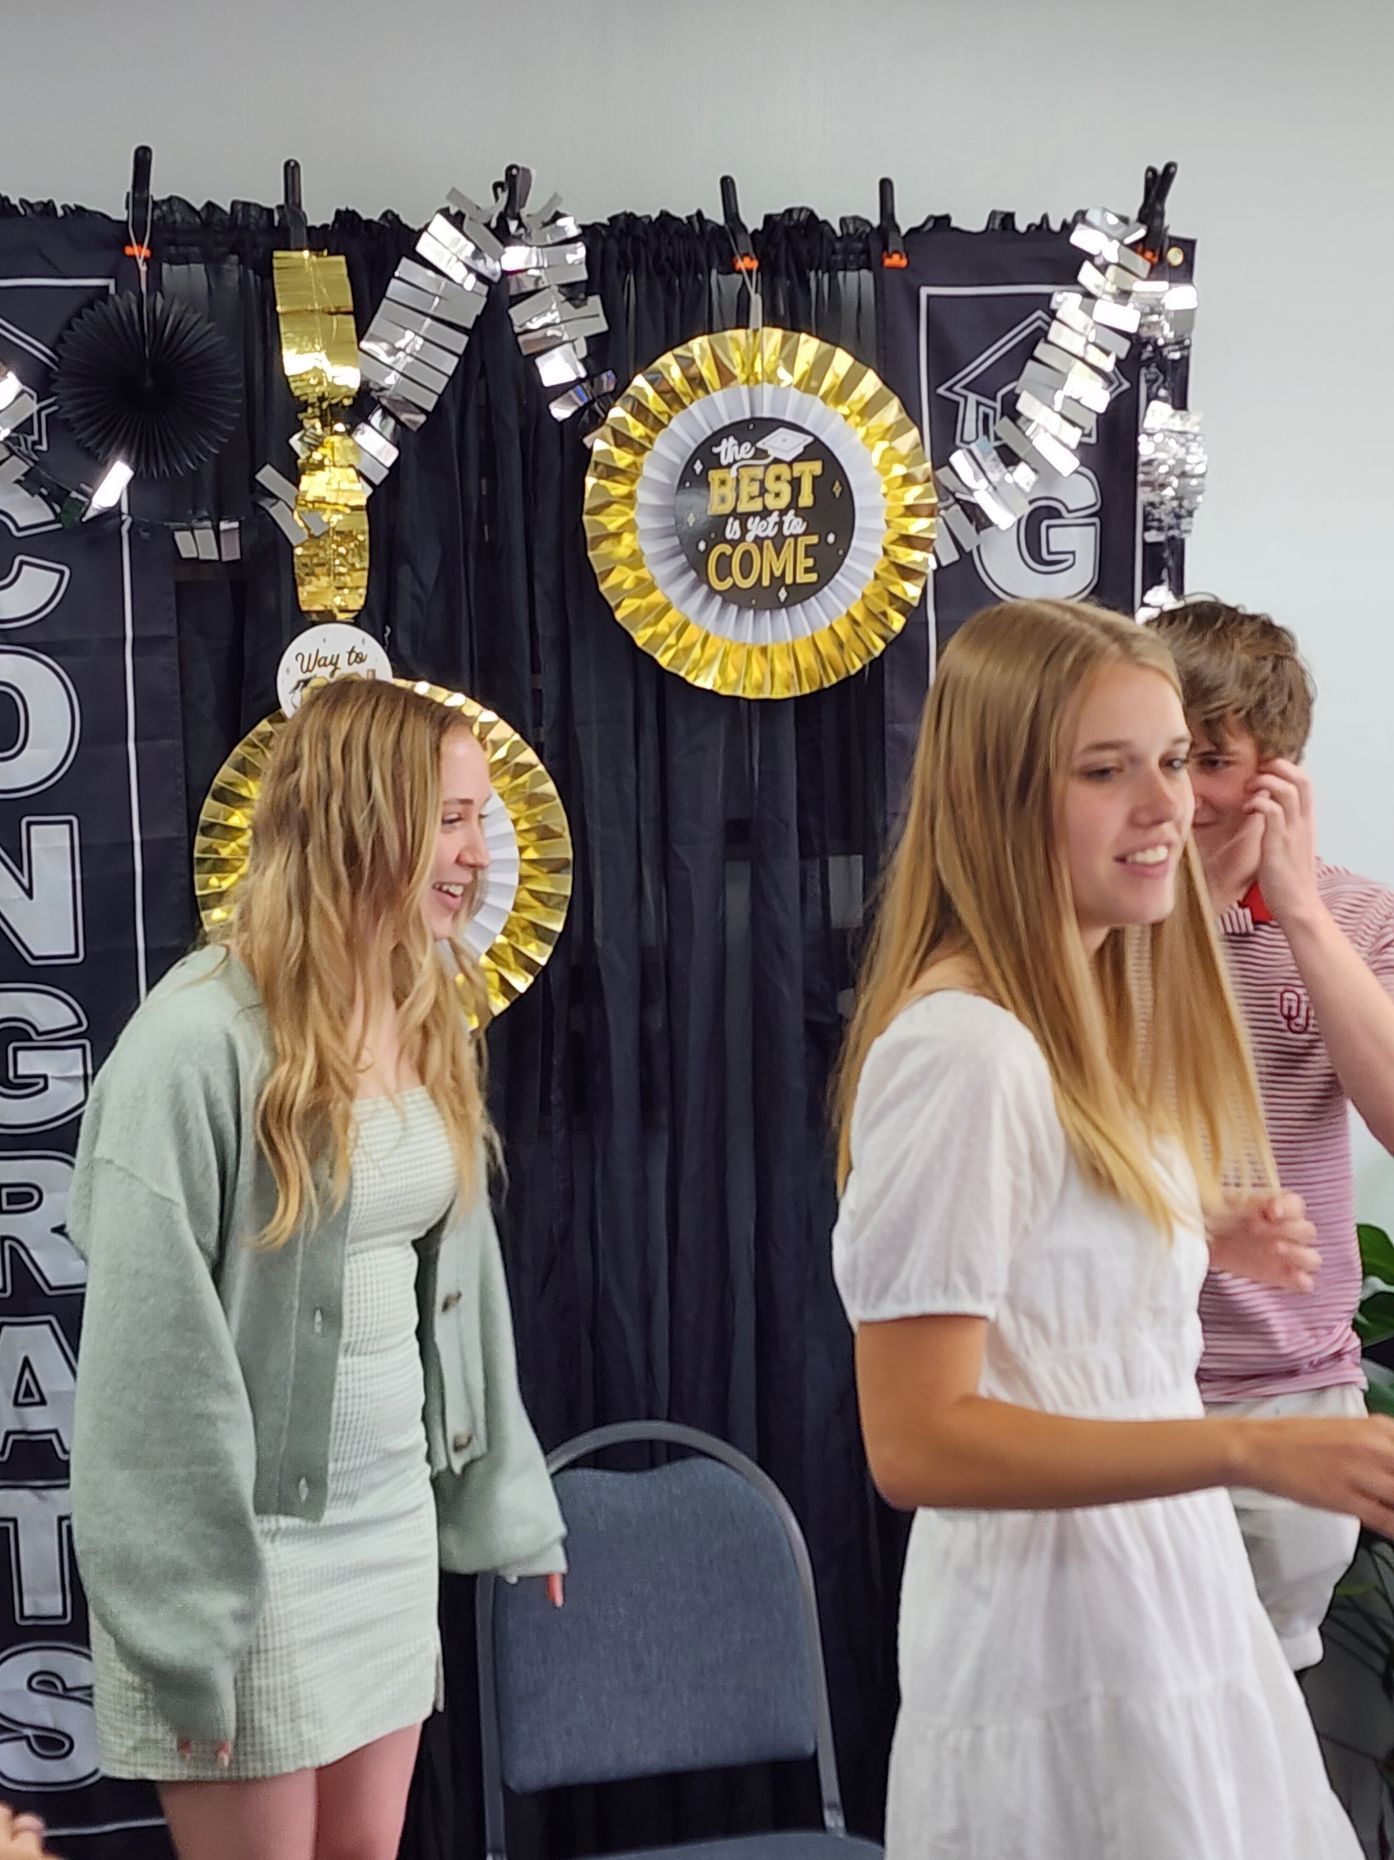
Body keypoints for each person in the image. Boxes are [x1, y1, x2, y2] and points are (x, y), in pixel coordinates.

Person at [831, 598, 1380, 1858]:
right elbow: (916, 1442)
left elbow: (1040, 1244)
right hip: (1055, 1642)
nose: (1168, 808)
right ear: (996, 791)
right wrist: (1248, 1457)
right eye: (1104, 769)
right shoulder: (961, 1049)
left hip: (1160, 1608)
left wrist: (1184, 1224)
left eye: (1174, 763)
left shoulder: (1066, 1013)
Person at [68, 678, 567, 1860]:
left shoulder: (423, 1003)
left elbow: (461, 1291)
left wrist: (504, 1501)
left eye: (478, 818)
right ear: (361, 815)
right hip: (246, 1567)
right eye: (450, 817)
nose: (475, 851)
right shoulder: (194, 1041)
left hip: (386, 1535)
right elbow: (147, 1379)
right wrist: (183, 1628)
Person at [1147, 597, 1394, 1670]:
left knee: (1264, 1706)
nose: (1177, 794)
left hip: (1293, 1386)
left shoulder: (1355, 918)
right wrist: (1191, 910)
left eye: (1205, 758)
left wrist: (1291, 908)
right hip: (1128, 1380)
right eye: (1158, 756)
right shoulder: (1102, 916)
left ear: (1276, 769)